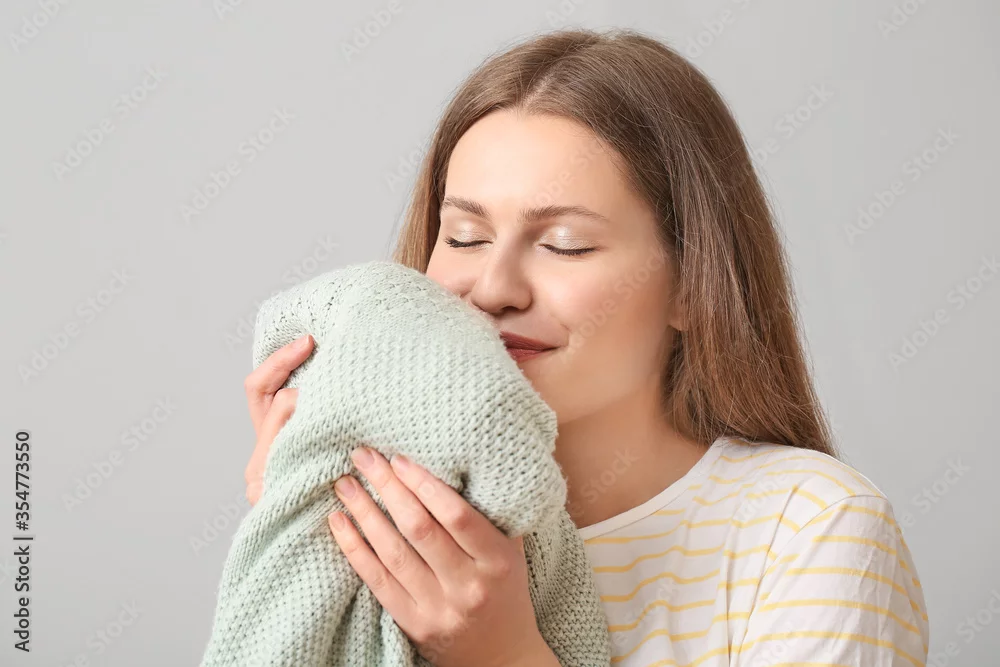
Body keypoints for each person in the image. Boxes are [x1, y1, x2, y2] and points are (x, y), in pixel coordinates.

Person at [242, 28, 929, 667]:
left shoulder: (811, 531)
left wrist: (505, 654)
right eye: (464, 237)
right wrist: (299, 532)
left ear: (693, 284)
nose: (493, 289)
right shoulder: (376, 524)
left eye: (565, 244)